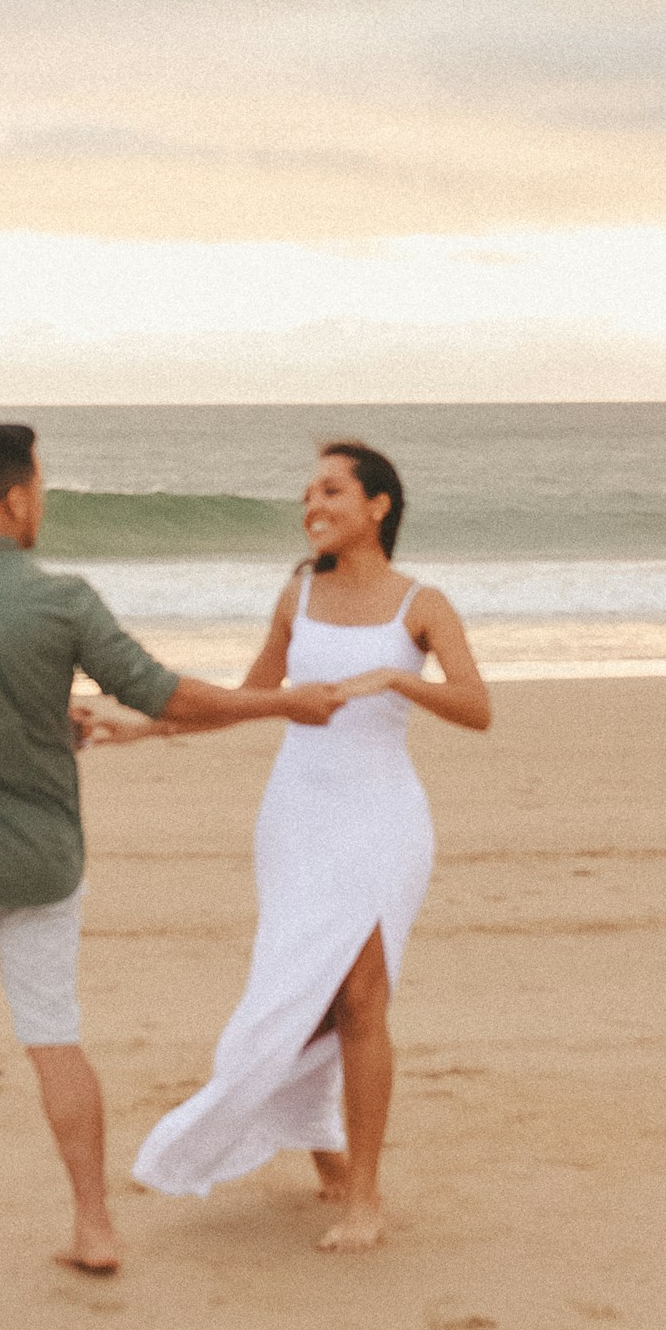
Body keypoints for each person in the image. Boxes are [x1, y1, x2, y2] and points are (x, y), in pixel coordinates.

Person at [0, 419, 343, 1273]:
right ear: (14, 497)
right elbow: (168, 696)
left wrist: (44, 720)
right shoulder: (63, 599)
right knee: (55, 1037)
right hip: (44, 863)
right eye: (38, 485)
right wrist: (279, 703)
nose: (40, 499)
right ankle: (93, 1226)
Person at [99, 439, 490, 1251]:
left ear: (378, 505)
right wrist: (140, 728)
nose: (313, 505)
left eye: (332, 490)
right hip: (297, 817)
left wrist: (396, 679)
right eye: (308, 492)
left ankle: (364, 1198)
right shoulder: (297, 596)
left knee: (360, 1000)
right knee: (300, 994)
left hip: (381, 818)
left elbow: (476, 705)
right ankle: (326, 1159)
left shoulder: (422, 603)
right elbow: (245, 699)